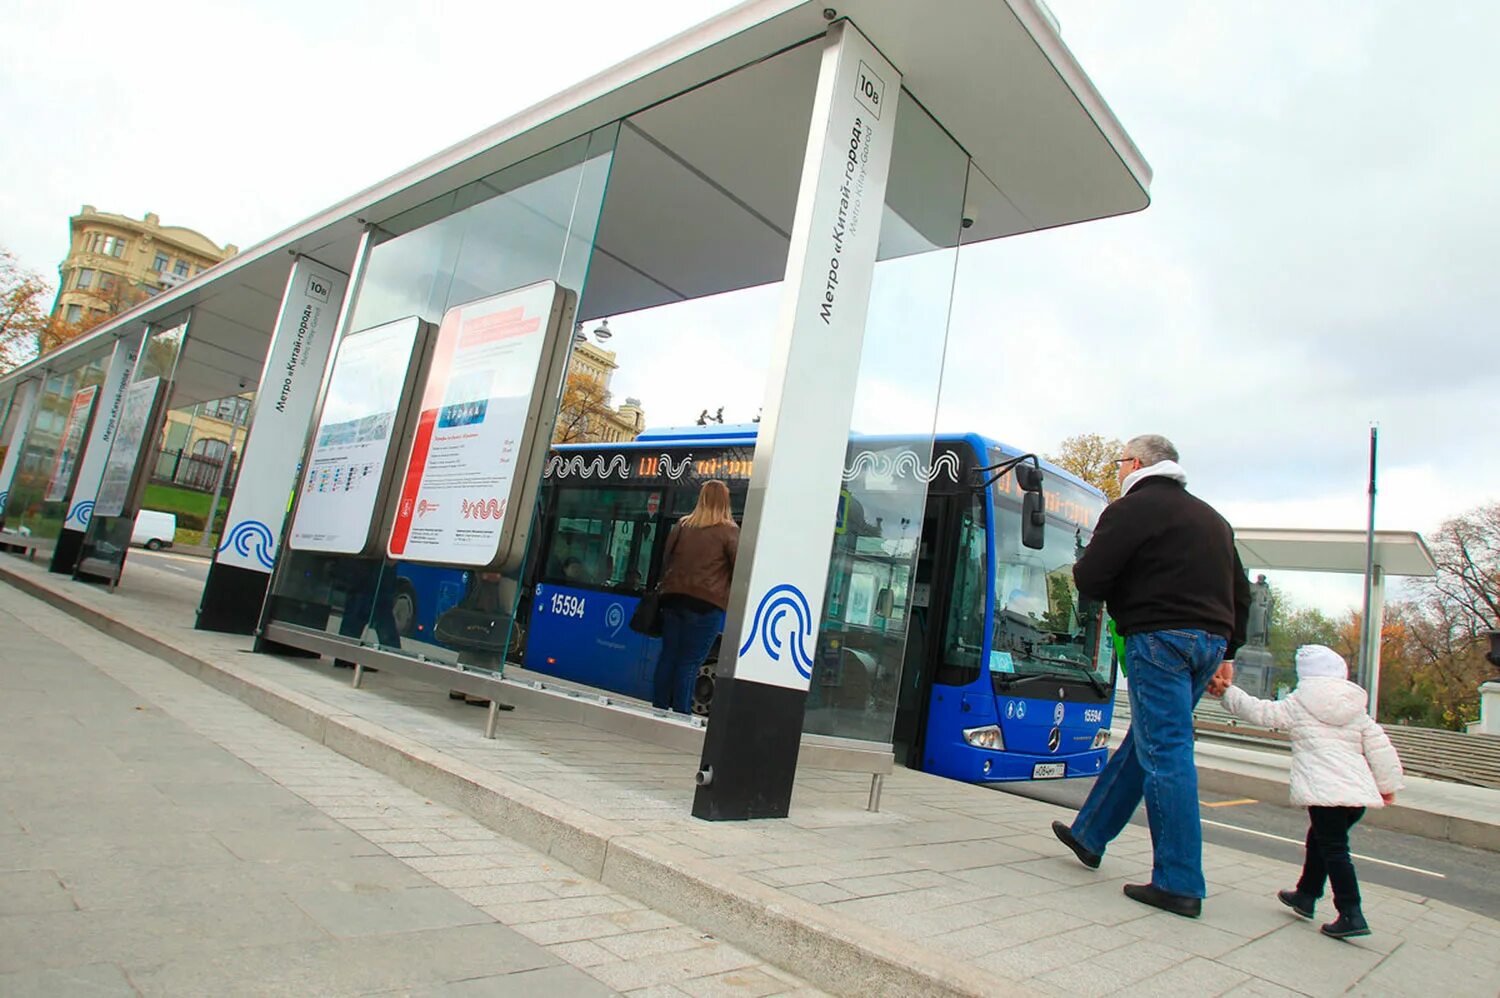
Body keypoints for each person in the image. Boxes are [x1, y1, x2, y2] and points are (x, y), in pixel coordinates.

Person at [1050, 434, 1250, 918]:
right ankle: (1090, 833)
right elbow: (1240, 595)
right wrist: (1229, 651)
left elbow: (1091, 578)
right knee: (1150, 740)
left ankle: (1179, 882)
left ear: (1135, 463)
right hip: (1209, 645)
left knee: (1167, 751)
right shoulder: (1213, 520)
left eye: (1120, 463)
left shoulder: (1130, 509)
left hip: (1159, 638)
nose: (1118, 472)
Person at [1211, 644, 1403, 939]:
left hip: (1325, 792)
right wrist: (1387, 787)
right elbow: (1381, 750)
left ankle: (1351, 912)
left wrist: (1227, 692)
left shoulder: (1300, 703)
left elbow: (1261, 712)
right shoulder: (1356, 710)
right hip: (1356, 797)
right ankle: (1306, 894)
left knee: (1335, 849)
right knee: (1321, 841)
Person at [652, 480, 738, 714]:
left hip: (673, 600)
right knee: (690, 662)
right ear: (725, 501)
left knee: (668, 657)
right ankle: (681, 713)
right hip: (706, 605)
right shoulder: (729, 531)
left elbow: (666, 559)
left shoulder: (682, 525)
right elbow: (738, 569)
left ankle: (659, 708)